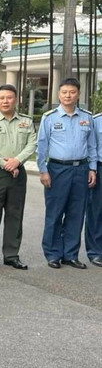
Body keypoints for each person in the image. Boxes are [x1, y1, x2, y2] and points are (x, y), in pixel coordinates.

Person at [36, 77, 98, 269]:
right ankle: (53, 254)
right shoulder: (50, 117)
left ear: (78, 94)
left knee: (76, 213)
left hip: (81, 169)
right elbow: (41, 147)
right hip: (57, 169)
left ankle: (70, 254)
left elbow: (92, 145)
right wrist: (43, 170)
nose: (68, 95)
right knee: (55, 213)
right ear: (59, 94)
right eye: (64, 92)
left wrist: (93, 168)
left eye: (72, 92)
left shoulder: (87, 118)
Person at [0, 84, 37, 271]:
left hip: (18, 174)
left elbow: (31, 144)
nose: (5, 101)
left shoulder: (26, 122)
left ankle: (11, 255)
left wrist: (16, 161)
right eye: (1, 98)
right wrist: (6, 164)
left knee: (14, 215)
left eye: (9, 97)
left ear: (16, 100)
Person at [85, 111, 102, 267]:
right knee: (96, 211)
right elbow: (91, 147)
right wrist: (93, 169)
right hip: (100, 168)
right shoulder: (96, 121)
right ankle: (95, 252)